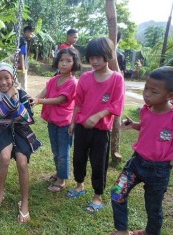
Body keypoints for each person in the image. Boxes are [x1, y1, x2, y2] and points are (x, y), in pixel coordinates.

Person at [109, 66, 173, 235]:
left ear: (170, 96)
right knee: (117, 193)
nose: (147, 94)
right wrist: (134, 125)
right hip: (136, 162)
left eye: (154, 91)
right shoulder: (146, 109)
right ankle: (121, 230)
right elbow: (147, 128)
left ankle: (150, 232)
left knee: (153, 208)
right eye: (146, 88)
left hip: (159, 170)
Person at [66, 37, 125, 214]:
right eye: (91, 57)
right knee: (78, 158)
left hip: (101, 131)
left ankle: (97, 196)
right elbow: (78, 102)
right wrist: (73, 121)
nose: (95, 61)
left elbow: (117, 104)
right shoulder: (85, 77)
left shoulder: (116, 79)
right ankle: (79, 185)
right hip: (82, 127)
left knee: (99, 163)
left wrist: (98, 115)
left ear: (108, 55)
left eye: (99, 57)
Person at [0, 63, 42, 223]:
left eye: (7, 78)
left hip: (22, 130)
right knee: (4, 157)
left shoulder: (22, 94)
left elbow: (28, 118)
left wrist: (14, 99)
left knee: (22, 162)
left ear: (12, 78)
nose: (3, 82)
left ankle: (24, 203)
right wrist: (10, 98)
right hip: (3, 130)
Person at [30, 48, 81, 192]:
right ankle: (59, 172)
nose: (64, 64)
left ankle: (62, 179)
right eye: (61, 60)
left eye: (68, 61)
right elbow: (45, 91)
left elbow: (60, 100)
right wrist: (35, 99)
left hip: (65, 123)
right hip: (52, 121)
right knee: (55, 150)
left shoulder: (73, 83)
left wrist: (40, 100)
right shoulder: (54, 79)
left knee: (63, 152)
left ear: (74, 63)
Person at [18, 26, 34, 91]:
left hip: (18, 65)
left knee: (17, 82)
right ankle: (23, 98)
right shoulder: (24, 42)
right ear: (26, 32)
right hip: (21, 66)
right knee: (23, 84)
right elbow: (21, 54)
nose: (32, 34)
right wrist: (23, 68)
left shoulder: (21, 40)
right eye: (31, 33)